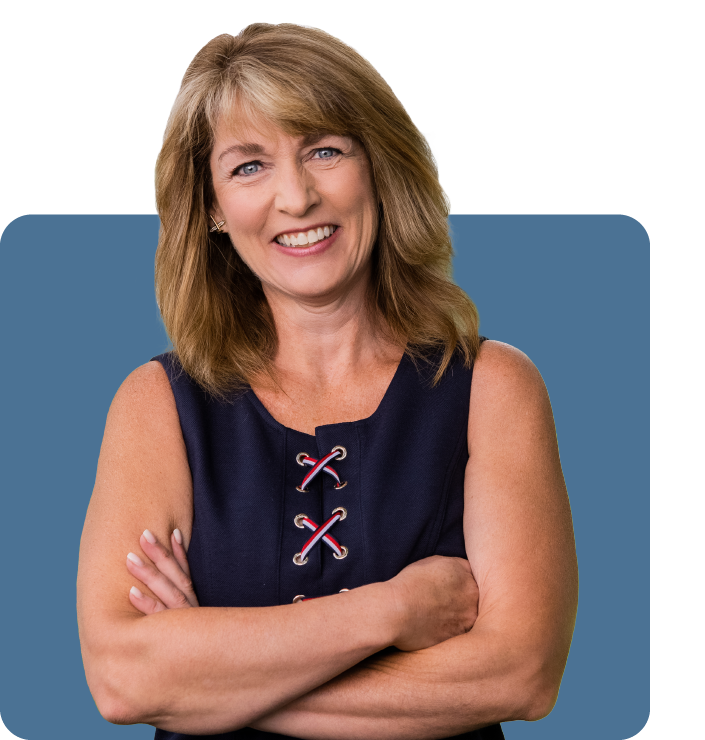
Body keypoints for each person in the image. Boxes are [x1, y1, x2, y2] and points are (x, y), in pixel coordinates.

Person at [75, 22, 578, 740]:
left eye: (325, 150)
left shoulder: (494, 388)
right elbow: (122, 680)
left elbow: (520, 675)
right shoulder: (154, 406)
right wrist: (394, 611)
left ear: (379, 165)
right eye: (248, 167)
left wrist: (209, 682)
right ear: (213, 208)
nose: (297, 197)